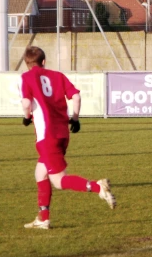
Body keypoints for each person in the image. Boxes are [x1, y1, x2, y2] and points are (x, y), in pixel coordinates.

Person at [20, 46, 116, 230]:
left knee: (58, 181)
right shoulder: (58, 76)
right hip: (63, 133)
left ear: (26, 64)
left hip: (47, 137)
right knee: (40, 172)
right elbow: (77, 96)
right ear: (44, 61)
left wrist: (26, 117)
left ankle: (98, 187)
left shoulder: (26, 77)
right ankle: (43, 219)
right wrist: (75, 118)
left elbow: (25, 103)